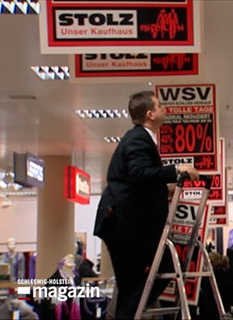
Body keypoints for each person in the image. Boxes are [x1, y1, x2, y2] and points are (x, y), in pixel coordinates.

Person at [93, 90, 200, 318]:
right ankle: (128, 314)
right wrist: (176, 170)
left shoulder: (139, 138)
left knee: (135, 286)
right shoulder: (139, 138)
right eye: (160, 106)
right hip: (125, 228)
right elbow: (139, 172)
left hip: (125, 227)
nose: (165, 109)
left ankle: (128, 313)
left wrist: (163, 188)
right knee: (163, 269)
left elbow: (137, 181)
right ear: (150, 114)